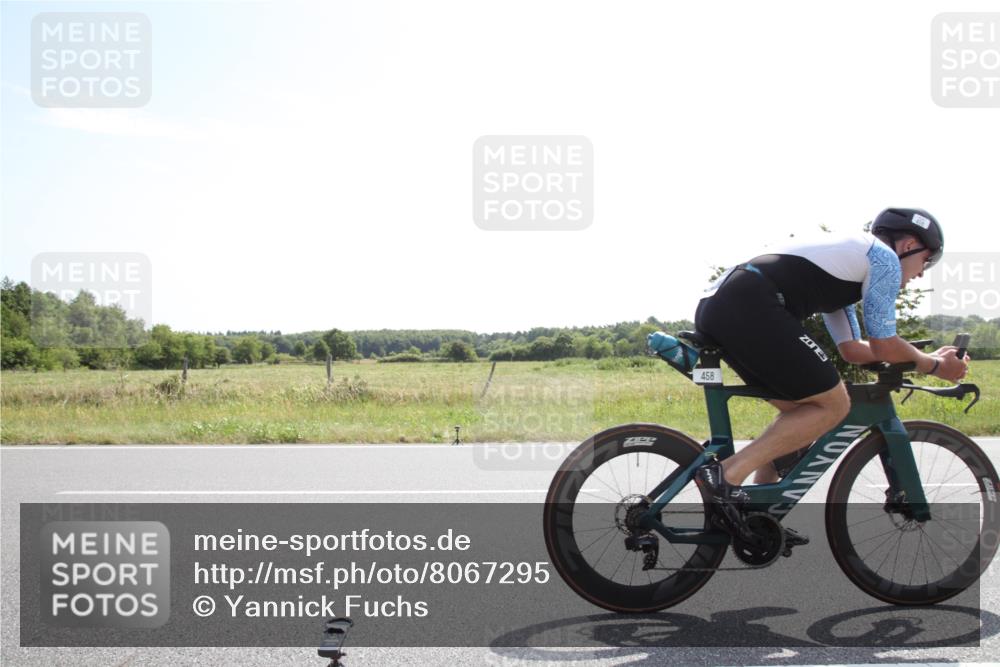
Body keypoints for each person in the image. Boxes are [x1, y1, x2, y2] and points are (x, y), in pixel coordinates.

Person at [692, 208, 969, 537]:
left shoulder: (850, 266)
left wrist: (916, 358)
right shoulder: (883, 259)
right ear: (909, 244)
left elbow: (852, 349)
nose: (922, 273)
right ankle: (726, 476)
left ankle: (756, 514)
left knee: (803, 417)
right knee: (834, 406)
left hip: (725, 305)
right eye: (927, 261)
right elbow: (884, 345)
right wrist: (935, 365)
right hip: (749, 304)